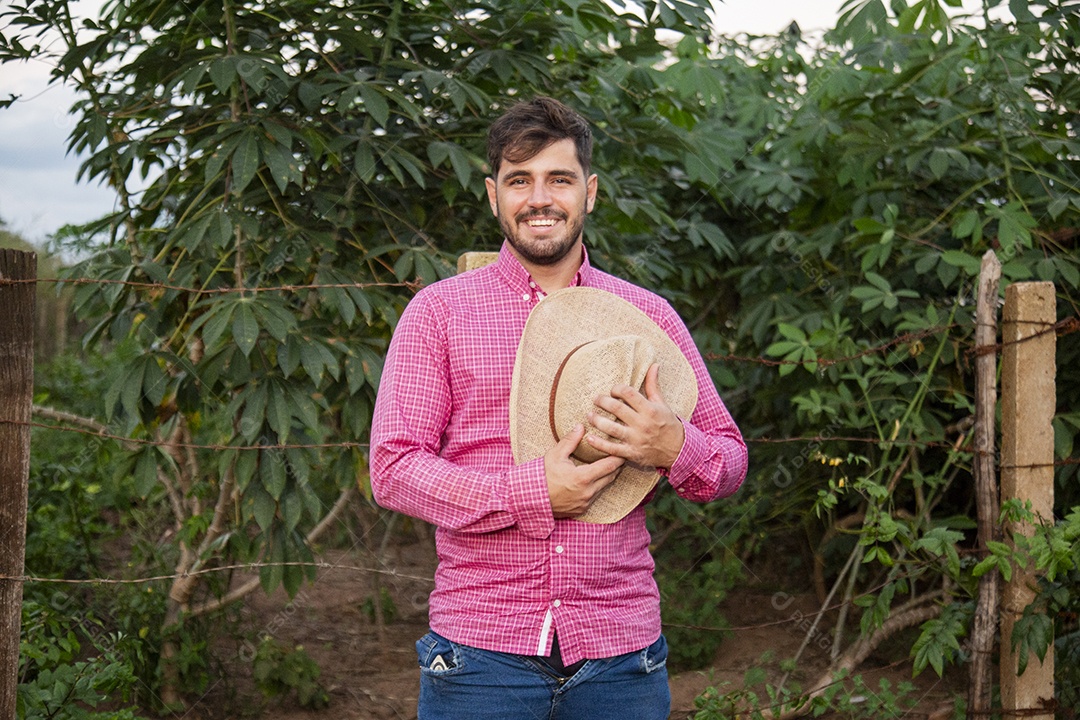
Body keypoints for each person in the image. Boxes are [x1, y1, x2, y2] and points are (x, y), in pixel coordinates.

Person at [369, 96, 747, 720]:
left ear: (589, 192)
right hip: (479, 655)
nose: (539, 198)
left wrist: (675, 447)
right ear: (494, 196)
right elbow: (394, 469)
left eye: (559, 179)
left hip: (621, 655)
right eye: (520, 181)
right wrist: (531, 494)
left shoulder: (647, 317)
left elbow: (729, 460)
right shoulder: (438, 313)